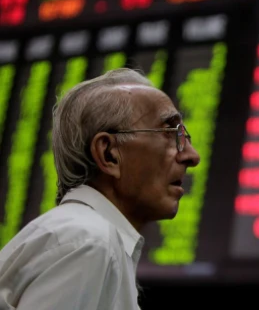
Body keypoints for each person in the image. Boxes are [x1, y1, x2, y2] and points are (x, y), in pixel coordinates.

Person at [0, 68, 200, 309]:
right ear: (109, 154)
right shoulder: (89, 242)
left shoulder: (86, 237)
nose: (192, 156)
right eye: (171, 132)